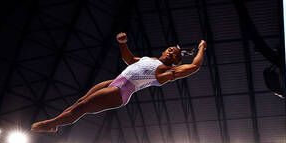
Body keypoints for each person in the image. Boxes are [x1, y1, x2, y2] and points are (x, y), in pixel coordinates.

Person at [31, 32, 206, 132]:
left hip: (120, 92)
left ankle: (49, 125)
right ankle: (54, 124)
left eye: (174, 55)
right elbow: (129, 59)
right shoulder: (149, 58)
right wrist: (123, 43)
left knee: (81, 108)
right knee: (80, 101)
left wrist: (201, 49)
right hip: (115, 81)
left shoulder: (167, 71)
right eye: (169, 50)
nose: (170, 53)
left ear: (175, 61)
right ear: (164, 50)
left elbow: (195, 66)